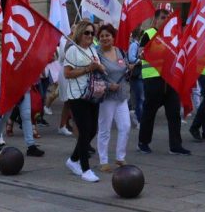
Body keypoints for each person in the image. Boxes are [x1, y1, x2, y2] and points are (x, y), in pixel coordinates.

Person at [137, 9, 190, 156]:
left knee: (174, 113)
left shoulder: (174, 37)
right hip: (153, 79)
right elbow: (141, 53)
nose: (165, 20)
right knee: (150, 112)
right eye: (162, 17)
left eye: (168, 17)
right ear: (155, 20)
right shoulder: (148, 34)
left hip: (171, 80)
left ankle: (175, 145)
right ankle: (143, 142)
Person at [62, 19, 105, 183]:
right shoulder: (73, 50)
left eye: (92, 33)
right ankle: (85, 169)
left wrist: (99, 67)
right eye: (87, 32)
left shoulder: (93, 49)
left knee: (93, 129)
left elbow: (98, 68)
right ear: (80, 33)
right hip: (77, 95)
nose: (90, 35)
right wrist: (88, 68)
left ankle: (73, 159)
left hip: (93, 94)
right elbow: (67, 73)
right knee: (84, 130)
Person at [95, 24, 131, 172]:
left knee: (126, 126)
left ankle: (120, 157)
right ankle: (103, 160)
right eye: (102, 36)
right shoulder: (96, 55)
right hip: (106, 97)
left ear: (113, 37)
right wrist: (109, 86)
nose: (105, 38)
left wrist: (130, 67)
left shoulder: (119, 51)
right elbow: (94, 77)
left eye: (107, 35)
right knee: (105, 129)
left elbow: (124, 68)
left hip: (121, 96)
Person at [127, 27, 144, 128]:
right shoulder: (134, 45)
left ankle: (135, 115)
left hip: (140, 75)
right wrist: (140, 60)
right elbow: (131, 58)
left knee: (139, 98)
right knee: (140, 98)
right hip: (136, 75)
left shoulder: (137, 45)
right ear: (139, 36)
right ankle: (138, 120)